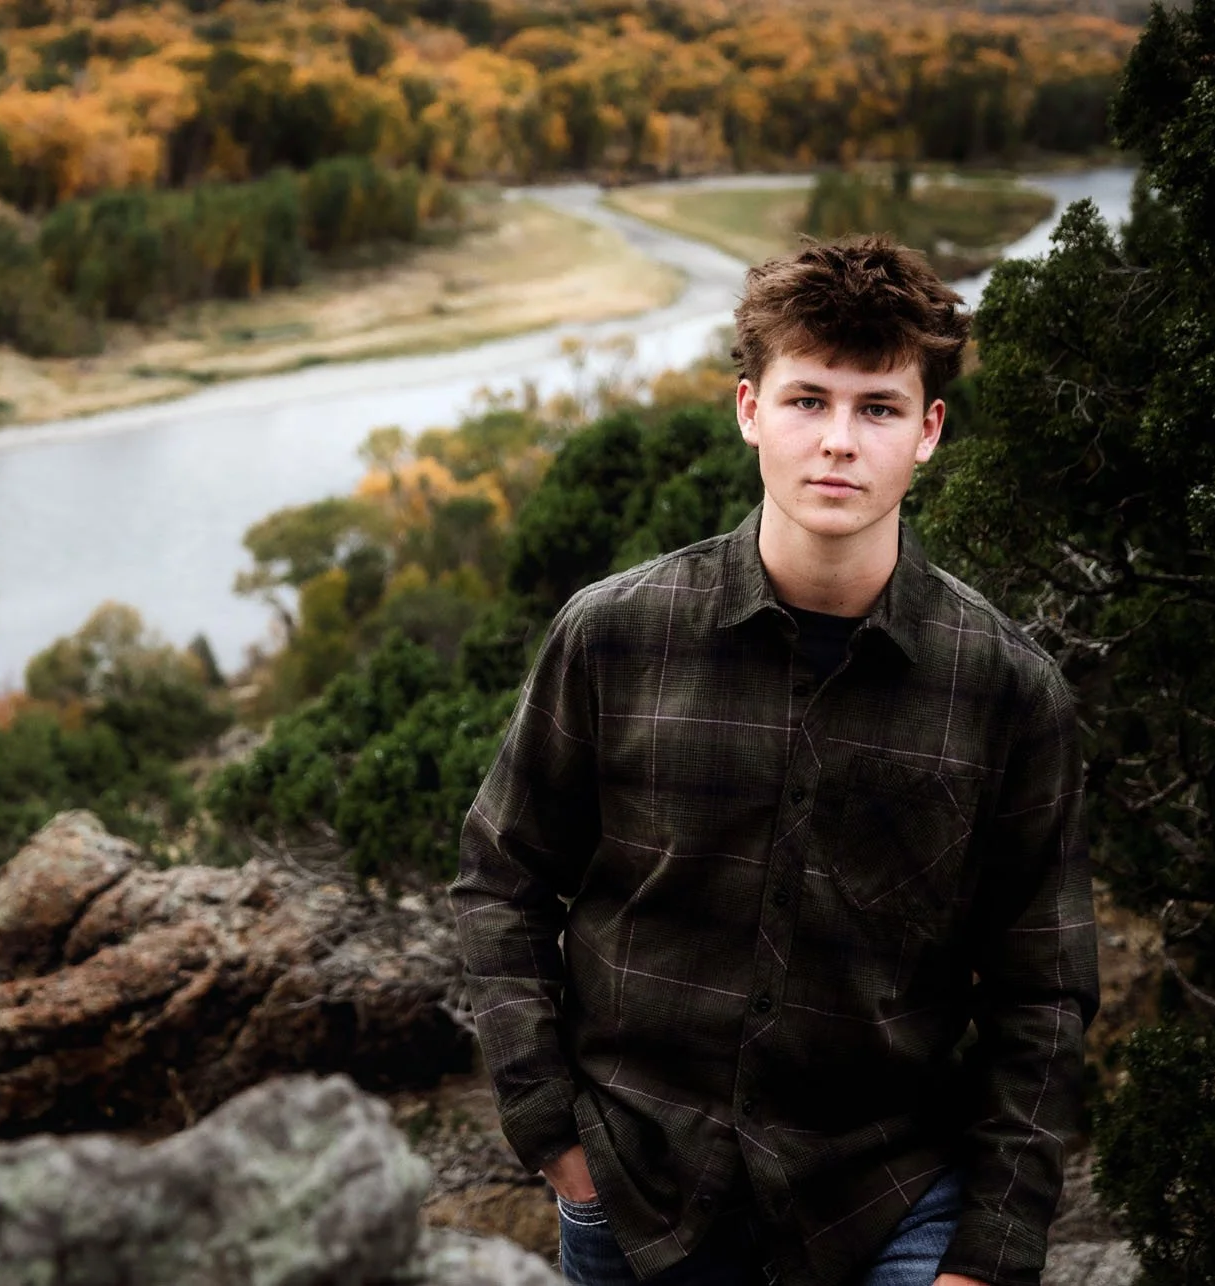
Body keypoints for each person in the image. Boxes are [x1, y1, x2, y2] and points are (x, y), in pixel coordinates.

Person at [450, 237, 1098, 1286]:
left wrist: (992, 1250)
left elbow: (1044, 989)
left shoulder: (1007, 690)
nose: (839, 440)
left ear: (928, 431)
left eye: (877, 407)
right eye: (808, 399)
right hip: (639, 1191)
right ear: (750, 408)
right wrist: (554, 1137)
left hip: (888, 1200)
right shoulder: (613, 634)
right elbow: (503, 873)